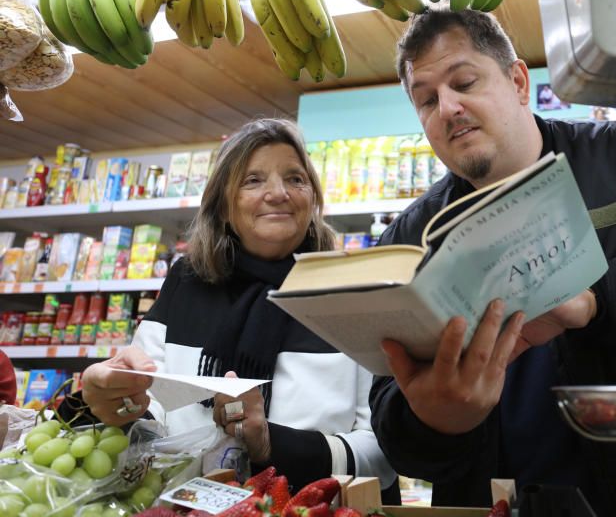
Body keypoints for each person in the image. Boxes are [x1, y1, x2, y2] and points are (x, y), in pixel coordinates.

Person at [370, 7, 616, 517]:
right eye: (426, 100)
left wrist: (596, 298)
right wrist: (433, 419)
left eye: (464, 81)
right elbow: (392, 417)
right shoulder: (408, 239)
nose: (447, 108)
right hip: (494, 510)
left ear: (517, 81)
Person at [80, 118, 397, 496]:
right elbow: (153, 415)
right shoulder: (186, 282)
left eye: (295, 178)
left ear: (312, 198)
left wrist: (269, 443)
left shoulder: (350, 293)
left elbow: (384, 454)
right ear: (224, 207)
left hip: (309, 515)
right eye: (253, 180)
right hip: (189, 511)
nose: (278, 193)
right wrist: (117, 402)